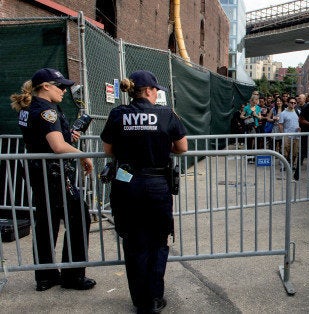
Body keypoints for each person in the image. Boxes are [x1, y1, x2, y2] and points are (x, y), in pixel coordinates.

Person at [100, 70, 188, 313]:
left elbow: (108, 150)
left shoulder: (118, 113)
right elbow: (182, 147)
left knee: (134, 243)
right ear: (149, 90)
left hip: (126, 185)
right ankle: (154, 299)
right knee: (158, 242)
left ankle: (140, 302)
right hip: (157, 185)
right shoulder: (166, 113)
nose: (157, 93)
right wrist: (160, 142)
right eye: (156, 89)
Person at [11, 68, 96, 292]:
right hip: (55, 174)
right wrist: (84, 156)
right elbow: (57, 146)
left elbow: (47, 139)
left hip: (40, 174)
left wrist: (68, 136)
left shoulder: (30, 107)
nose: (64, 91)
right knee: (79, 218)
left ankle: (46, 276)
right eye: (60, 87)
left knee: (46, 224)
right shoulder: (46, 110)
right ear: (46, 86)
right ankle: (73, 275)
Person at [278, 96, 301, 180]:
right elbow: (280, 124)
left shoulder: (298, 111)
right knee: (285, 152)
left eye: (295, 103)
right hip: (287, 135)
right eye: (291, 102)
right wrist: (283, 134)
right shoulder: (283, 113)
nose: (293, 104)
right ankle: (284, 165)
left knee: (295, 153)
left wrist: (300, 128)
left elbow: (300, 121)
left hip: (296, 136)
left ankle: (291, 165)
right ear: (287, 103)